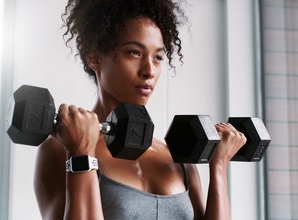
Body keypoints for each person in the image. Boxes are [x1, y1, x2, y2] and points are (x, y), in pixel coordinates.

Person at [34, 0, 247, 219]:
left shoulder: (176, 157)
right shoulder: (61, 148)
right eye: (134, 53)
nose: (149, 71)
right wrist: (80, 154)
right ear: (94, 57)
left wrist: (219, 167)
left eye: (157, 58)